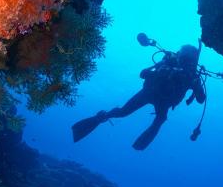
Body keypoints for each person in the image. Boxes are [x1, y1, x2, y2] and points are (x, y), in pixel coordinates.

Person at [71, 44, 206, 150]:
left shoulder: (191, 75)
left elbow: (200, 99)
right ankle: (99, 119)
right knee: (149, 117)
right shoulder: (171, 63)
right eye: (185, 56)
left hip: (155, 96)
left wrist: (195, 83)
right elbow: (144, 73)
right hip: (154, 94)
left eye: (188, 57)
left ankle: (100, 118)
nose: (185, 60)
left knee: (131, 114)